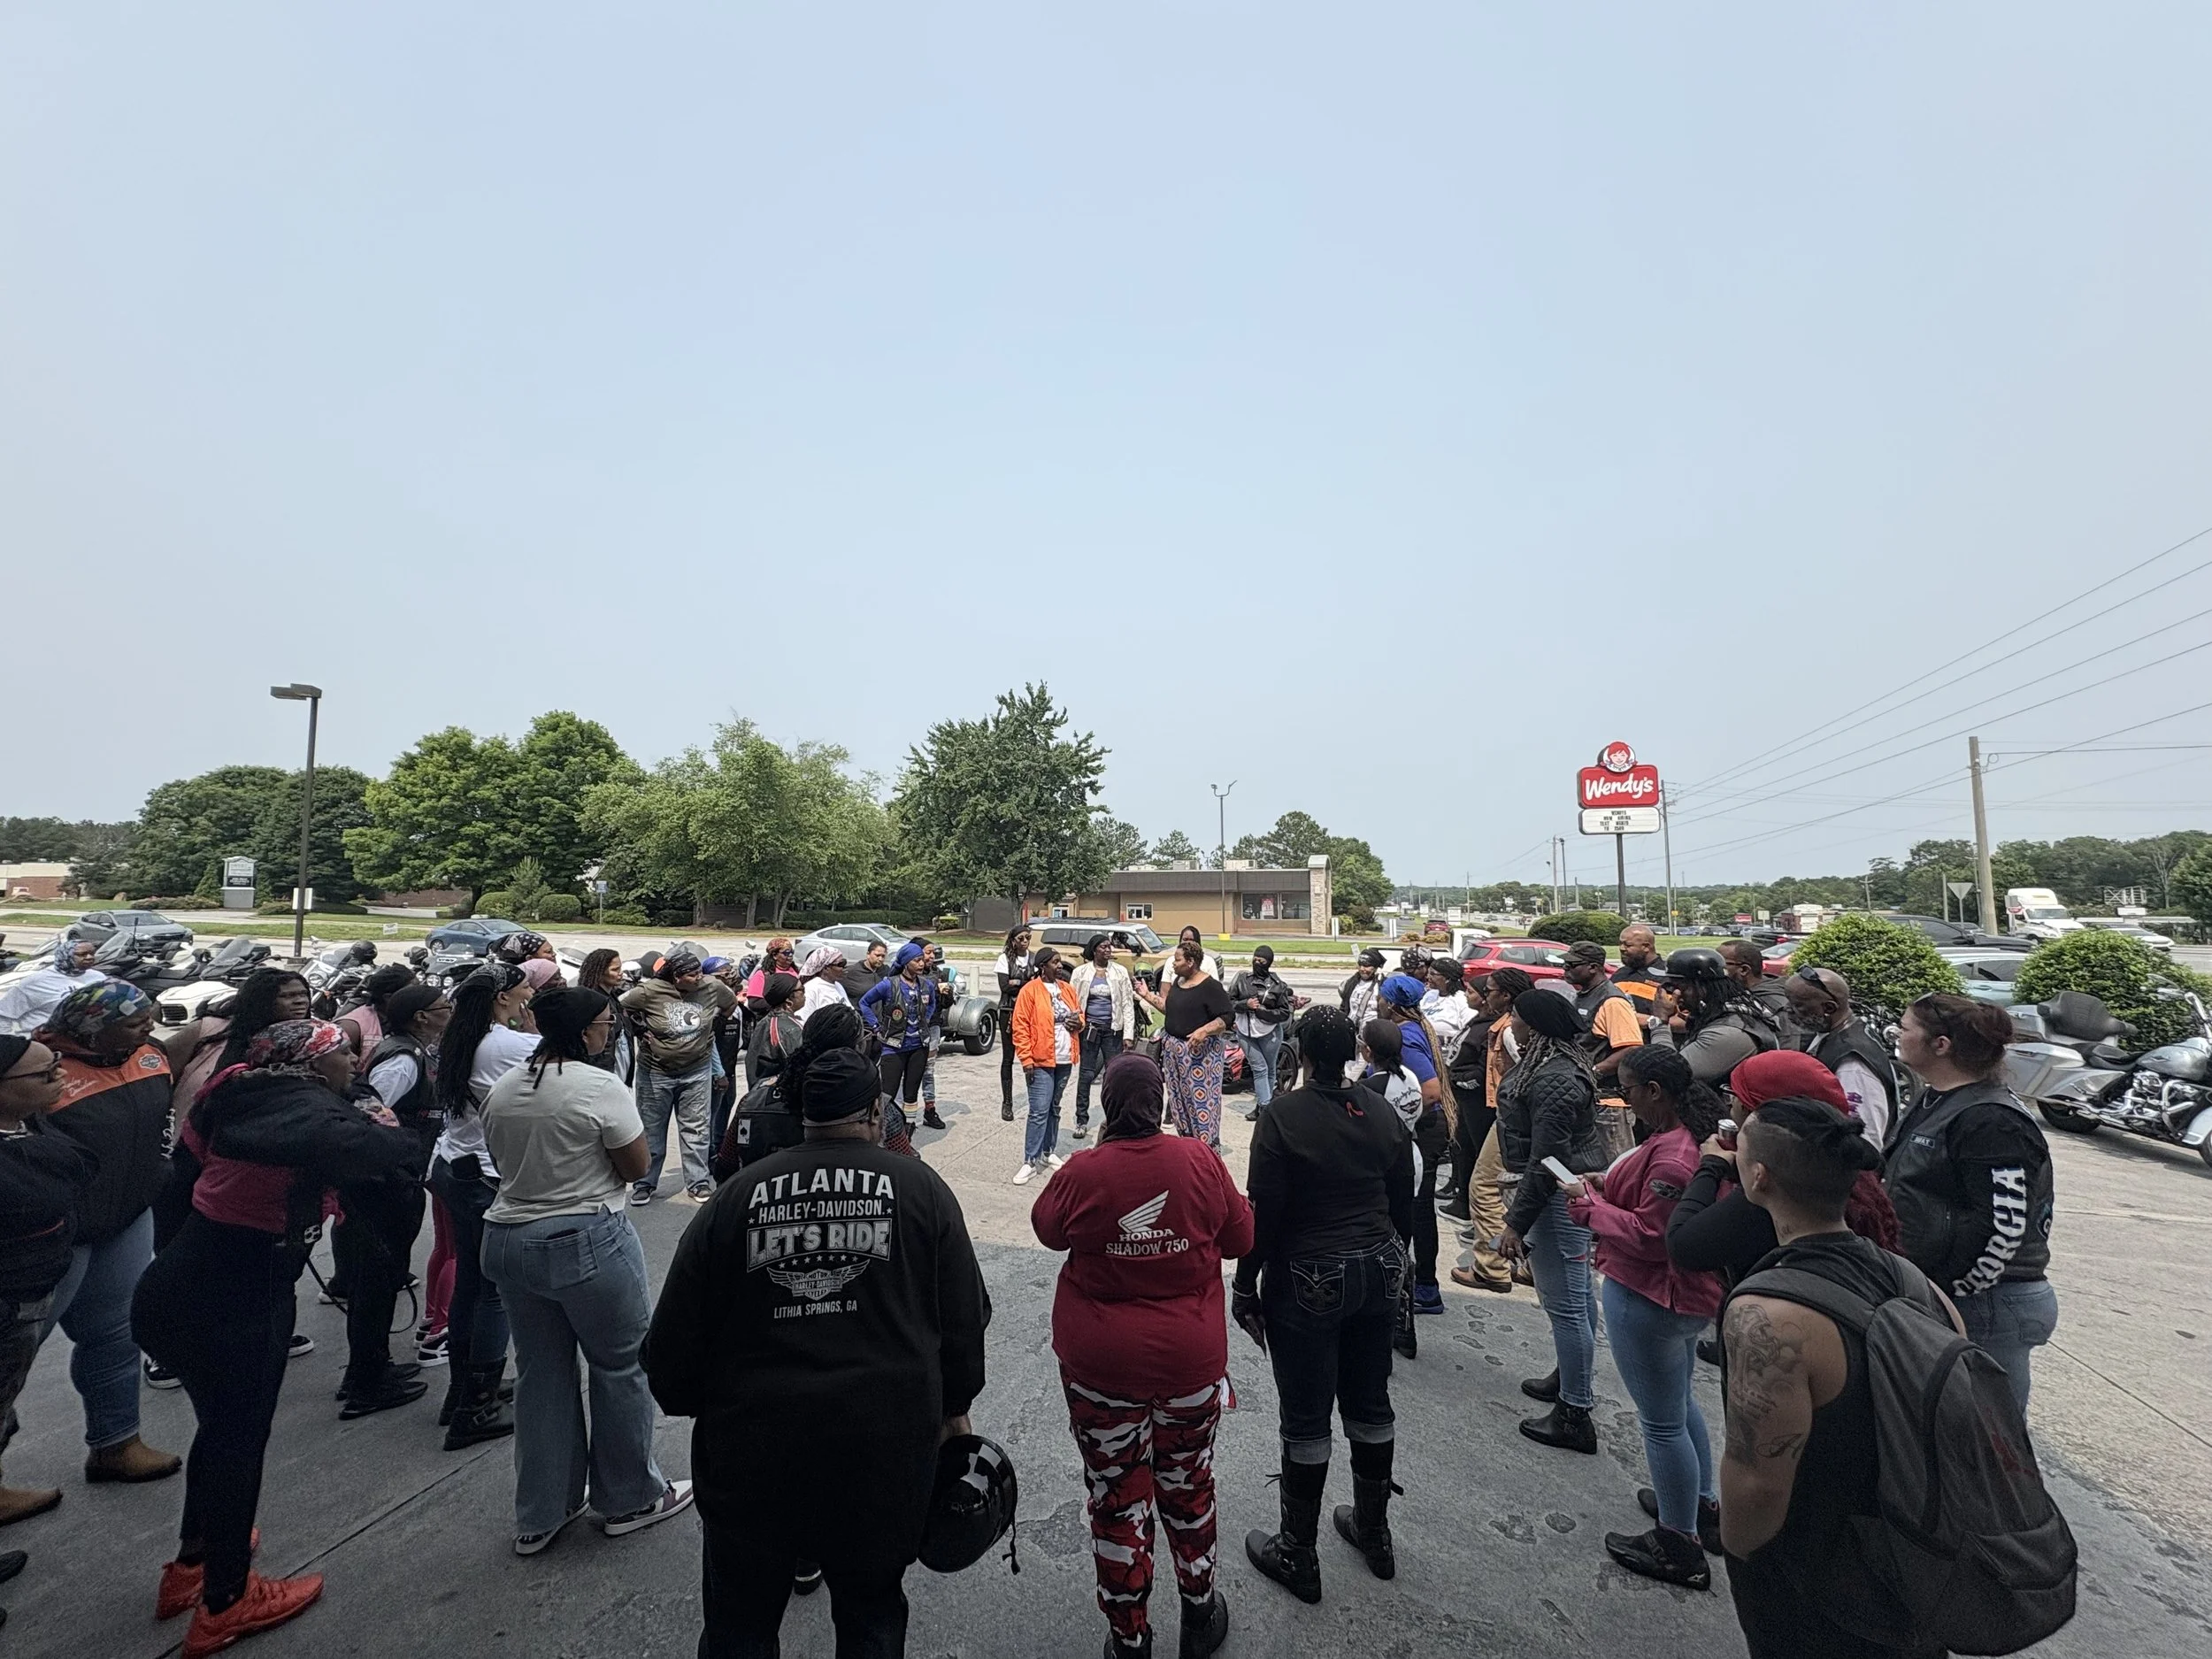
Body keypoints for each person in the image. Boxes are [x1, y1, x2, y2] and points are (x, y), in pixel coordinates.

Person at [643, 1037, 990, 1659]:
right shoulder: (921, 1189)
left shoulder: (735, 1197)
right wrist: (951, 1408)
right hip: (879, 1454)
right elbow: (964, 1322)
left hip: (751, 1454)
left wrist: (720, 1409)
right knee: (871, 1618)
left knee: (739, 1627)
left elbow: (670, 1353)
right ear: (876, 1112)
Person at [134, 1018, 420, 1655]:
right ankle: (226, 1600)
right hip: (241, 1295)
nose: (356, 1059)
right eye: (343, 1052)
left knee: (218, 1430)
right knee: (239, 1441)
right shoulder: (312, 1124)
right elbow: (389, 1153)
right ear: (312, 1071)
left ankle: (193, 1564)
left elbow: (183, 1179)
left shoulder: (231, 1092)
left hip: (177, 1282)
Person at [1716, 1096, 1968, 1658]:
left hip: (1821, 1575)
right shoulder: (1917, 1283)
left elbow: (1758, 1480)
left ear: (1759, 1177)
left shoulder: (1768, 1316)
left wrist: (1743, 1558)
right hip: (1917, 1555)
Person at [1032, 1054, 1248, 1659]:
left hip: (1103, 1371)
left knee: (1116, 1495)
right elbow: (1241, 1236)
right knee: (1189, 1483)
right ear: (1161, 1103)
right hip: (1189, 1366)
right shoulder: (1199, 1160)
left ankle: (1129, 1636)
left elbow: (1048, 1229)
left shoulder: (1084, 1169)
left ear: (1107, 1107)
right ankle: (1200, 1608)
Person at [480, 987, 692, 1555]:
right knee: (620, 1365)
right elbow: (636, 1165)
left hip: (506, 1236)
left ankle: (541, 1511)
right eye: (605, 1025)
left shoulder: (505, 1087)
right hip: (584, 1234)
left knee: (541, 1373)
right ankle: (629, 1497)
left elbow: (502, 1162)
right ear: (581, 1033)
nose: (610, 1033)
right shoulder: (598, 1087)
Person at [1236, 1008, 1413, 1606]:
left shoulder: (1283, 1115)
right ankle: (1374, 1530)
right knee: (1369, 1401)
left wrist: (1244, 1285)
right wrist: (1398, 1265)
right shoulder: (1382, 1110)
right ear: (1352, 1051)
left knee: (1308, 1418)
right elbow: (1402, 1198)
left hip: (1311, 1273)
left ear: (1303, 1053)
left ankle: (1298, 1550)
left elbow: (1265, 1210)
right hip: (1379, 1265)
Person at [1563, 1045, 1726, 1587]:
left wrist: (1587, 1207)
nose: (1624, 1099)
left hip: (1651, 1293)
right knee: (1679, 1406)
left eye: (1628, 1090)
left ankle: (1678, 1543)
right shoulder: (1680, 1142)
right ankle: (1698, 1504)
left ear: (1654, 1092)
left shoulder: (1676, 1157)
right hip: (1671, 1298)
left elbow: (1654, 1237)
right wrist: (1606, 1188)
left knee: (1660, 1422)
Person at [25, 983, 181, 1486]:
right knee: (16, 1350)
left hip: (127, 1220)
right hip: (54, 1236)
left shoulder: (149, 1056)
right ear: (93, 1027)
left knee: (117, 1335)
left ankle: (116, 1444)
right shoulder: (39, 1072)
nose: (150, 1030)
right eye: (136, 1024)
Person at [1886, 993, 2056, 1411]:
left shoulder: (1991, 1119)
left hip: (1988, 1305)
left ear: (1941, 1045)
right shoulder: (1935, 1097)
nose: (1897, 1033)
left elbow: (2002, 1229)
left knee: (1987, 1448)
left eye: (1906, 1028)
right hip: (1951, 1293)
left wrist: (1948, 1293)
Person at [1664, 1050, 1902, 1292]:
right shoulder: (1843, 1167)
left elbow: (1684, 1246)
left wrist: (1711, 1166)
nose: (1730, 1105)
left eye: (1734, 1096)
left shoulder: (1779, 1192)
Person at [1494, 988, 1608, 1454]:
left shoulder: (1555, 1076)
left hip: (1557, 1199)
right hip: (1559, 1191)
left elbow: (1548, 1160)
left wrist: (1516, 1224)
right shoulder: (1552, 1064)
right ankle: (1571, 1373)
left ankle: (1574, 1411)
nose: (1510, 1024)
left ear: (1535, 1026)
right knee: (1577, 1296)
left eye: (1515, 1017)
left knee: (1567, 1302)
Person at [424, 970, 533, 1448]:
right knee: (493, 1293)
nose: (532, 993)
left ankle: (461, 1391)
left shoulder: (464, 1036)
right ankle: (478, 1407)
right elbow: (575, 1058)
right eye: (525, 987)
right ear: (503, 997)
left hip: (455, 1164)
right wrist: (530, 1032)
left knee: (471, 1284)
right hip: (486, 1176)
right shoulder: (506, 1043)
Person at [0, 1035, 95, 1543]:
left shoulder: (29, 1124)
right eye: (43, 1074)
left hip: (29, 1290)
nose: (60, 1077)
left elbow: (79, 1166)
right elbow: (57, 1184)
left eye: (57, 1065)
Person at [621, 950, 736, 1206]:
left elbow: (730, 1004)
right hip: (656, 1073)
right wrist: (640, 1030)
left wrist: (710, 1029)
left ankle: (698, 1182)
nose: (698, 978)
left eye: (699, 972)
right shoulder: (651, 991)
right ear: (675, 977)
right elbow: (620, 1008)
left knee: (696, 1130)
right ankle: (645, 1183)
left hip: (696, 1072)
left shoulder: (711, 986)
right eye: (691, 974)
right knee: (652, 1131)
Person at [1447, 968, 1531, 1294]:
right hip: (1521, 1116)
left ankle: (1491, 1266)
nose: (1486, 995)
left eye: (1492, 990)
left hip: (1513, 1116)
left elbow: (1521, 1074)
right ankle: (1529, 1264)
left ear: (1507, 996)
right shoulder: (1514, 1024)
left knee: (1484, 1187)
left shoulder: (1511, 1030)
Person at [1375, 976, 1449, 1322]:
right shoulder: (1413, 1026)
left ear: (1390, 1004)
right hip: (1423, 1129)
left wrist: (1401, 1120)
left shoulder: (1405, 1035)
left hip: (1423, 1131)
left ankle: (1426, 1288)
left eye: (1380, 997)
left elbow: (1431, 1091)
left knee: (1418, 1211)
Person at [1786, 967, 1901, 1149]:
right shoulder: (1832, 1033)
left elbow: (1865, 1139)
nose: (1788, 1010)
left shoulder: (1852, 1065)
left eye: (1797, 1005)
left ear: (1828, 1008)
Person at [1133, 941, 1233, 1151]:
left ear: (1191, 962)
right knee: (1180, 1103)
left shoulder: (1210, 987)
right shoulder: (1179, 982)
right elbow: (1169, 1010)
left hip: (1200, 1057)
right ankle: (1188, 1146)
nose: (1173, 965)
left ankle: (1206, 1152)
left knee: (1201, 1105)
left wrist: (1204, 1030)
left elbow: (1227, 1017)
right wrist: (1146, 995)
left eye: (1177, 960)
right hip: (1174, 1054)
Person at [1651, 948, 1784, 1091]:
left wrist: (1660, 1021)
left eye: (1680, 986)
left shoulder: (1730, 1032)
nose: (1675, 993)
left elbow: (1667, 1074)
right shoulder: (1721, 1014)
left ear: (1705, 987)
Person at [1561, 941, 1645, 1156]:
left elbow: (1632, 1048)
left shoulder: (1612, 1001)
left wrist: (1593, 1072)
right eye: (1565, 965)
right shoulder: (1584, 995)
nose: (1566, 969)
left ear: (1594, 968)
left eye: (1572, 965)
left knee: (1613, 1170)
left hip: (1608, 1105)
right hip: (1587, 1100)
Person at [859, 942, 943, 1154]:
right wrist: (877, 1026)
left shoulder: (926, 985)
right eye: (917, 960)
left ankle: (906, 1138)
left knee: (911, 1094)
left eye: (922, 960)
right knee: (887, 1094)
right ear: (906, 963)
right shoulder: (889, 984)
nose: (922, 963)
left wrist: (924, 1019)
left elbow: (932, 1004)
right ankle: (884, 1138)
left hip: (919, 1046)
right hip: (894, 1047)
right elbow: (864, 1003)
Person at [1011, 947, 1082, 1186]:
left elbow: (1079, 1017)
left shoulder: (1068, 990)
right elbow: (1020, 1027)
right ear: (1043, 966)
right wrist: (1026, 1060)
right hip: (1040, 1061)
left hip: (1064, 1059)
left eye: (1060, 962)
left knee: (1054, 1107)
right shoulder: (1029, 991)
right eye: (1055, 962)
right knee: (1039, 1110)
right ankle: (1029, 1160)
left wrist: (1078, 1022)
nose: (1059, 966)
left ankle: (1047, 1151)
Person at [1066, 933, 1135, 1141]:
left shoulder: (1120, 972)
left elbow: (1127, 1005)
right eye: (1103, 947)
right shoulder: (1080, 973)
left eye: (1109, 947)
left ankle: (1113, 1119)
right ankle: (1081, 1119)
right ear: (1094, 950)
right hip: (1089, 1031)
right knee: (1086, 1075)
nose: (1108, 950)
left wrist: (1128, 1034)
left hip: (1113, 1030)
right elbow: (1073, 1002)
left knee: (1112, 1076)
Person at [0, 940, 105, 1037]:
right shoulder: (35, 981)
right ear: (66, 955)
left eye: (92, 953)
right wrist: (10, 1045)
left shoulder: (99, 977)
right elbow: (3, 1015)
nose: (89, 957)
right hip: (39, 1042)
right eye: (82, 954)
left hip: (79, 1041)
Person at [1719, 940, 1801, 1051]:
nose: (1713, 971)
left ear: (1744, 970)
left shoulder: (1775, 1004)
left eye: (1719, 965)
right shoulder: (1740, 993)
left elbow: (1787, 1051)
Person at [993, 924, 1036, 1123]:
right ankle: (1007, 1102)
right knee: (1008, 1057)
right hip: (1009, 1011)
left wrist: (1016, 982)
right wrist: (1025, 983)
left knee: (1031, 1056)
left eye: (1027, 937)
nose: (1025, 941)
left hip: (1030, 1012)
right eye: (1021, 938)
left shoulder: (1034, 959)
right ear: (1013, 941)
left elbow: (1038, 985)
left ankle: (1035, 1100)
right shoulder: (1005, 959)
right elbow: (1004, 986)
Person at [576, 949, 635, 1084]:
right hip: (602, 1074)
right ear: (599, 973)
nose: (621, 973)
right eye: (615, 969)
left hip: (620, 1073)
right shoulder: (591, 1002)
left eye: (621, 968)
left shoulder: (612, 997)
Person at [742, 972, 804, 1089]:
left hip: (760, 1090)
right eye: (802, 990)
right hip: (777, 1096)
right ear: (789, 1002)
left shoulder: (765, 1022)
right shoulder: (789, 1029)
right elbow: (800, 1066)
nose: (805, 994)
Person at [1610, 924, 1670, 1031]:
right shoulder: (1620, 974)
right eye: (1620, 944)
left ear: (1646, 947)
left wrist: (1650, 1021)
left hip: (1655, 1042)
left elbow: (1685, 1022)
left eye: (1627, 945)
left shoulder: (1667, 976)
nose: (1621, 948)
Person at [795, 945, 851, 1029]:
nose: (844, 967)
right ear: (826, 968)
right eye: (840, 964)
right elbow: (802, 1023)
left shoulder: (838, 986)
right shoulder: (811, 990)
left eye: (844, 963)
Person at [1338, 949, 1387, 1032]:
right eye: (1360, 965)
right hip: (1351, 1032)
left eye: (1366, 966)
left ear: (1375, 967)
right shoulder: (1351, 983)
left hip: (1373, 1033)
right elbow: (1343, 1007)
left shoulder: (1383, 985)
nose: (1362, 969)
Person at [845, 940, 892, 1008]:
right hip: (860, 1015)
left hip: (879, 1017)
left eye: (883, 956)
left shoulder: (886, 971)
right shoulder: (852, 972)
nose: (880, 959)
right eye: (877, 955)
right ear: (868, 954)